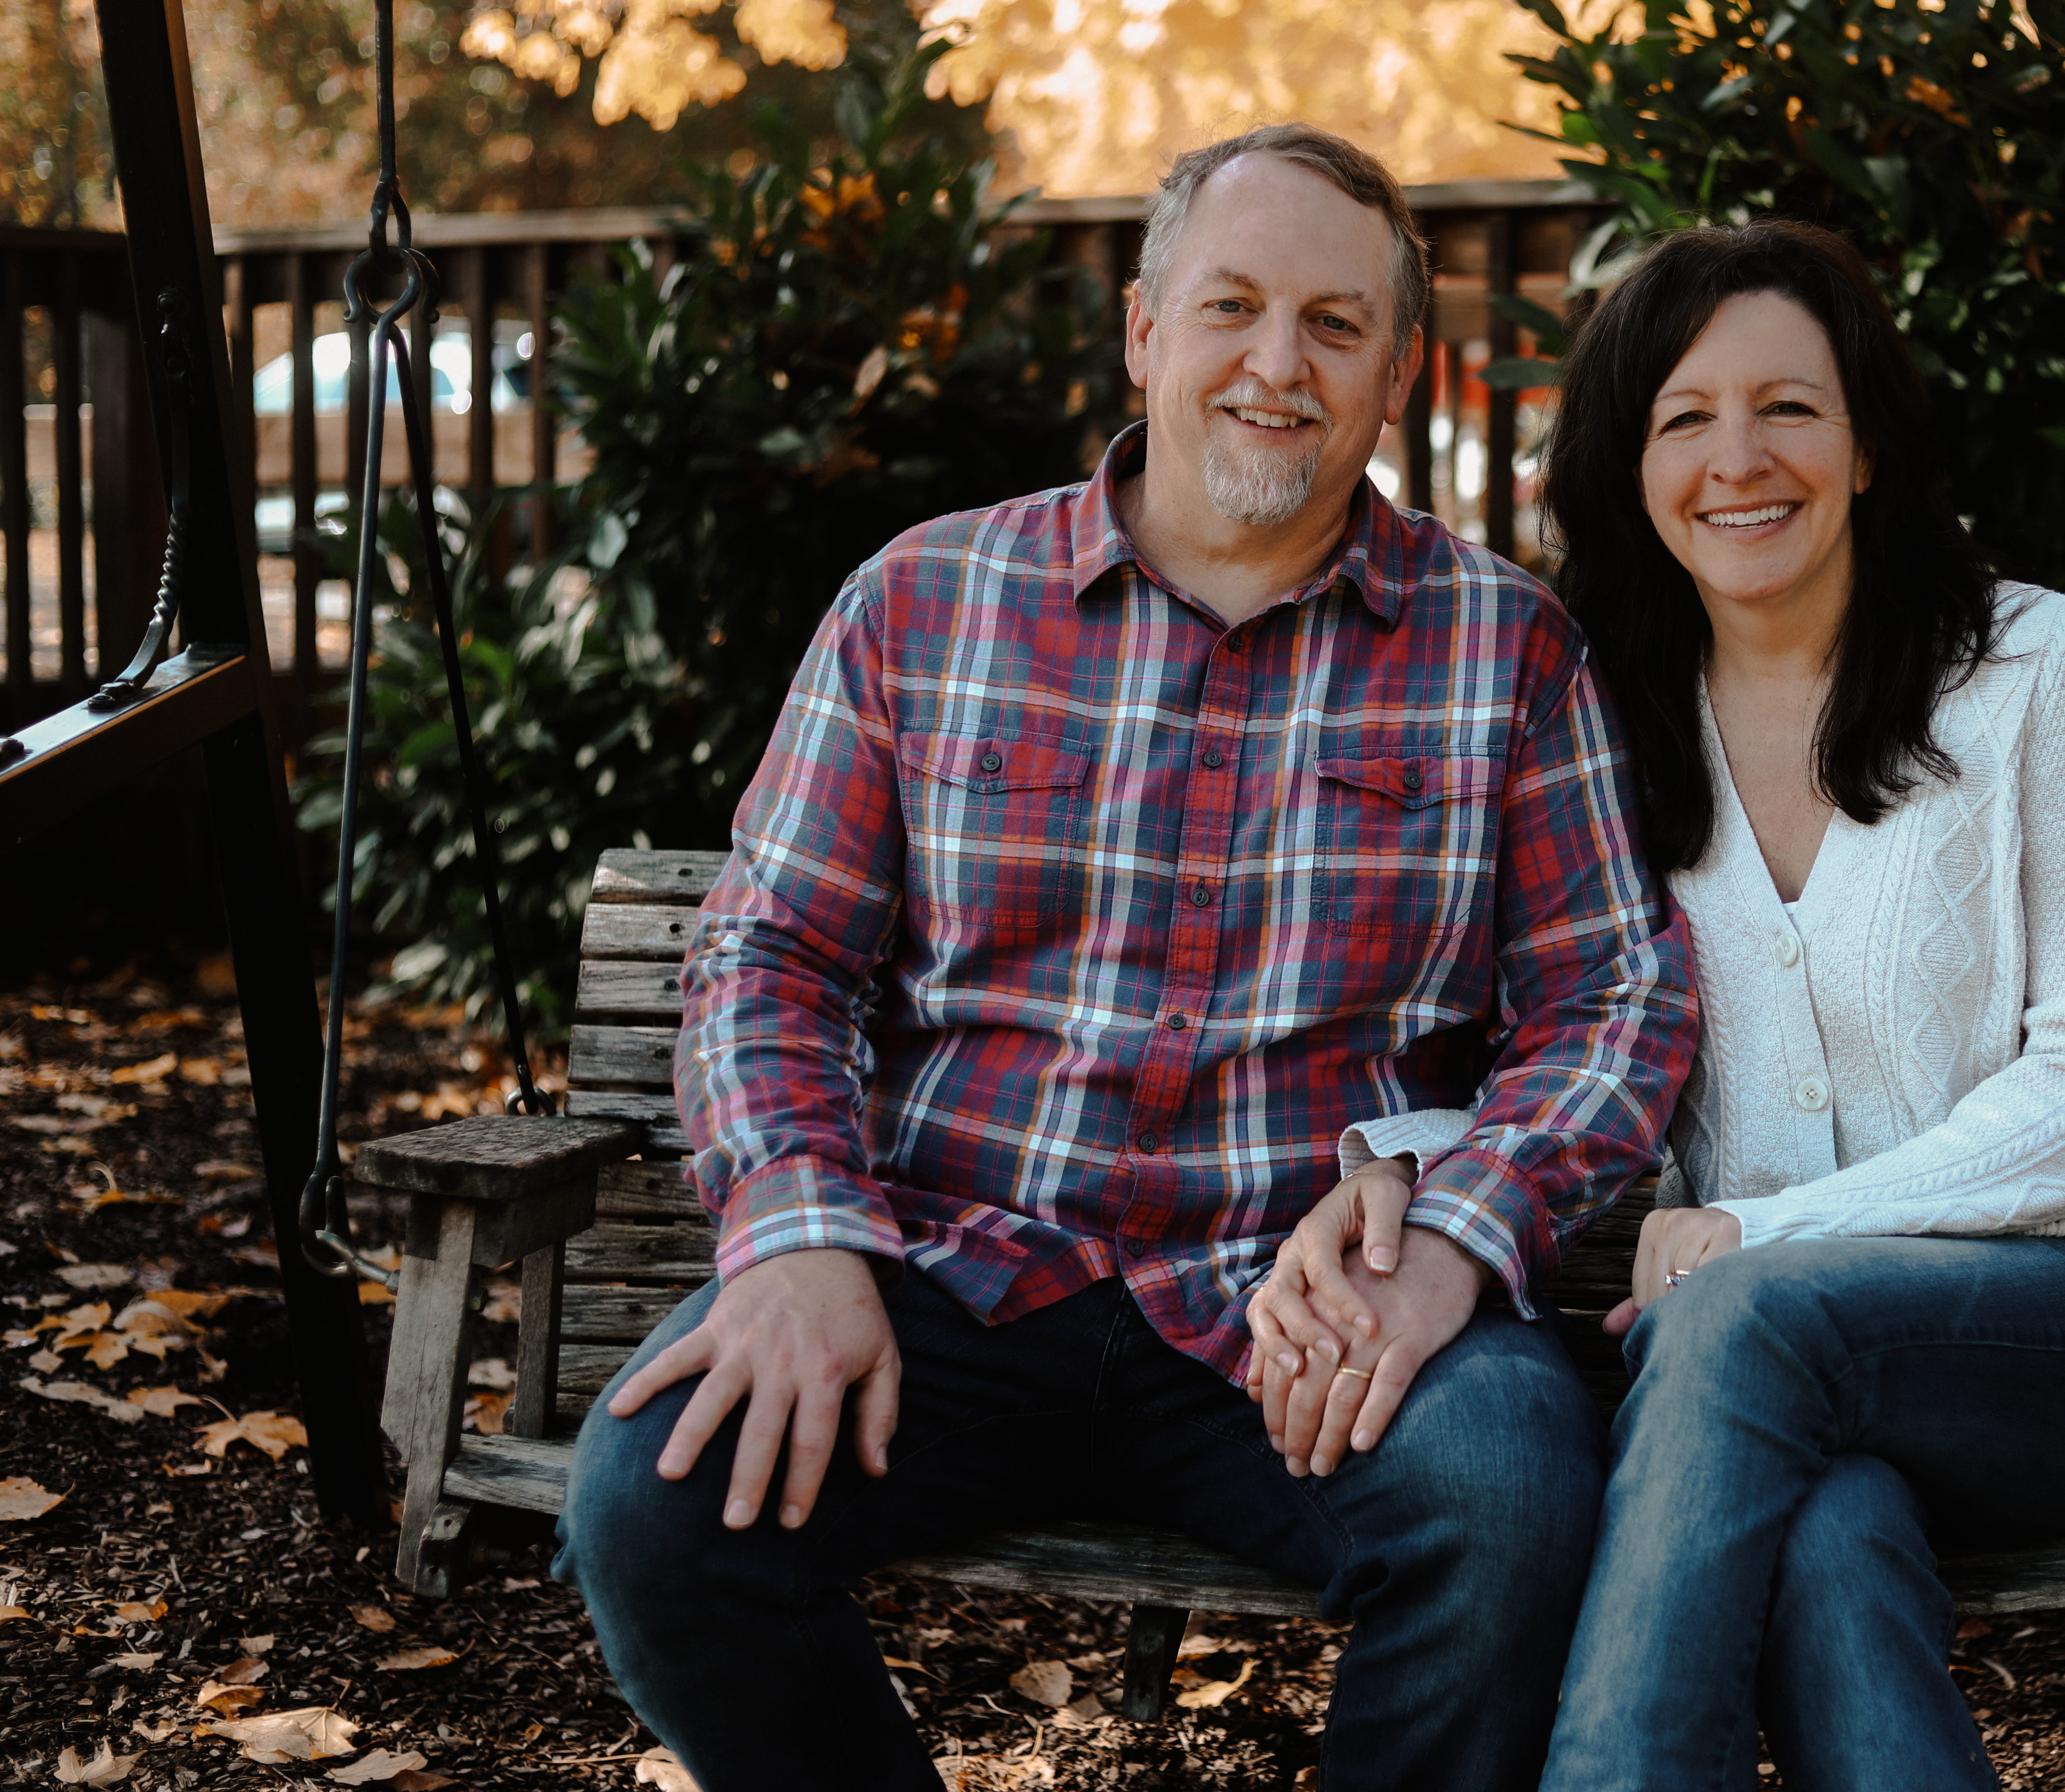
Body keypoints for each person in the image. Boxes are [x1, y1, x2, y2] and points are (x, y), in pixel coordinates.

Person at [553, 123, 1700, 1792]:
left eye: (1333, 324)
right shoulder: (924, 602)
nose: (1275, 365)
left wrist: (1462, 1229)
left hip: (1305, 1294)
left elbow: (1618, 995)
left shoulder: (1504, 647)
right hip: (952, 1269)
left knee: (1509, 1495)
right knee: (657, 1499)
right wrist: (795, 1237)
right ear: (1145, 328)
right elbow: (774, 953)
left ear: (1398, 375)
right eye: (1231, 305)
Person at [1526, 219, 2065, 1789]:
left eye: (1789, 405)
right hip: (1771, 1388)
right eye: (1684, 418)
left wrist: (1770, 1238)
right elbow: (1533, 1038)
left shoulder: (2039, 664)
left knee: (1742, 1321)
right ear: (1630, 468)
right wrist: (1387, 1153)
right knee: (1832, 1536)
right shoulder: (1605, 722)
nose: (1739, 458)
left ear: (1862, 447)